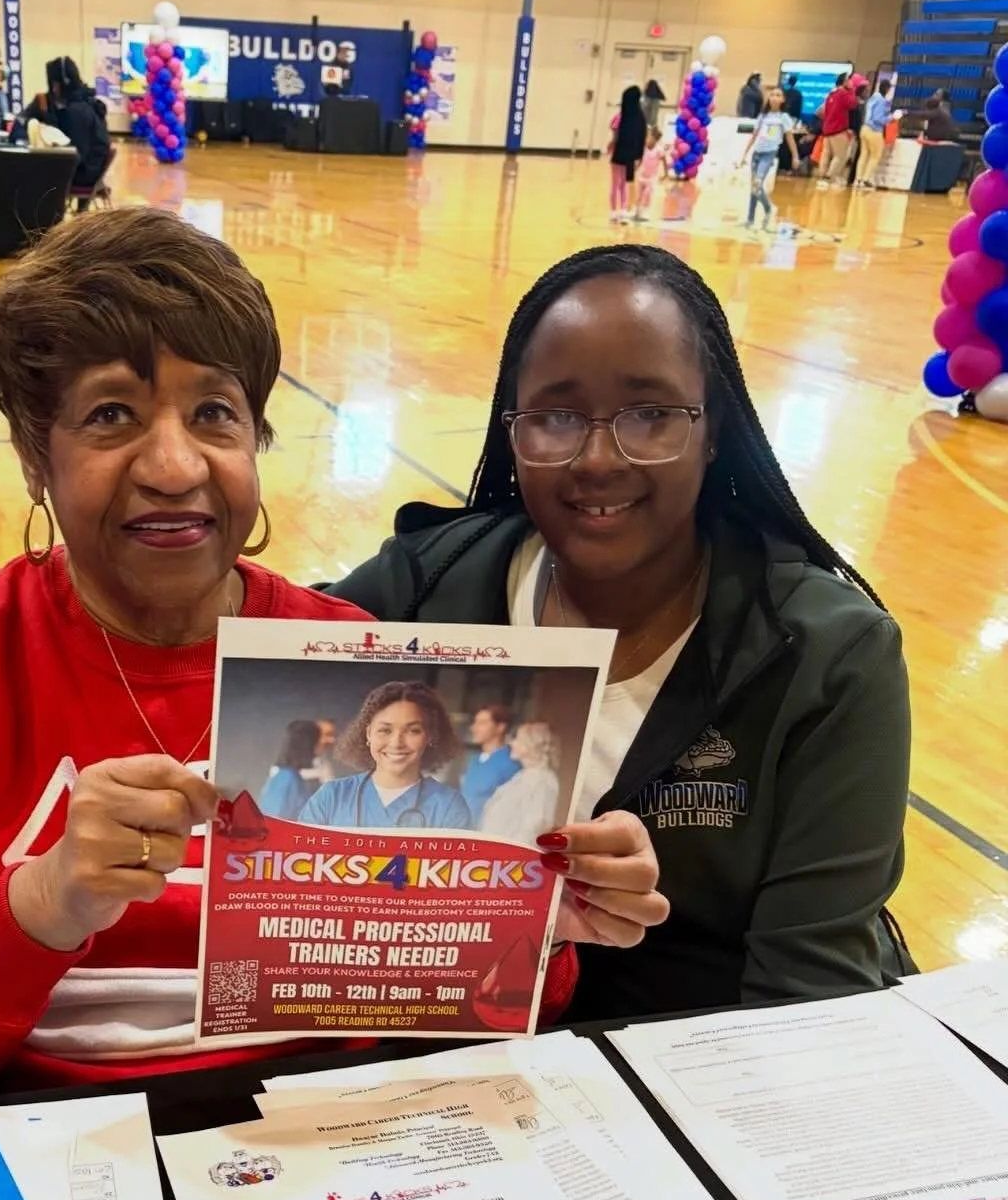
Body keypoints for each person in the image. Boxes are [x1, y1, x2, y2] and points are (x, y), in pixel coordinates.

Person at [0, 209, 584, 1113]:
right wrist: (36, 907)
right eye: (111, 415)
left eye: (214, 413)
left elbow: (447, 1019)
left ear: (255, 442)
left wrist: (537, 925)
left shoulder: (345, 654)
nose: (172, 466)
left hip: (319, 1148)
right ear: (33, 456)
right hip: (42, 1153)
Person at [327, 243, 912, 1023]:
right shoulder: (418, 587)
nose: (598, 458)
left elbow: (808, 1006)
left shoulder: (830, 656)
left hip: (707, 1078)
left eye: (651, 415)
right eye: (555, 417)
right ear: (513, 433)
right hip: (459, 1081)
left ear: (713, 429)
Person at [298, 682, 473, 830]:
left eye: (413, 731)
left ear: (429, 736)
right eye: (384, 730)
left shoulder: (448, 806)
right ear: (368, 734)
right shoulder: (331, 797)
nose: (396, 742)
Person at [22, 57, 111, 210]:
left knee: (33, 178)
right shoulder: (45, 101)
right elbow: (22, 121)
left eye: (55, 83)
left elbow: (77, 154)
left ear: (63, 83)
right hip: (80, 166)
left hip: (84, 172)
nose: (53, 87)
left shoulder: (80, 110)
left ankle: (45, 220)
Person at [481, 722, 561, 848]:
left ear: (530, 744)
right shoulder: (524, 776)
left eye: (517, 739)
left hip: (511, 858)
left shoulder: (542, 779)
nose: (511, 743)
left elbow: (536, 825)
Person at [740, 85, 799, 231]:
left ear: (783, 99)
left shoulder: (783, 118)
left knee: (758, 184)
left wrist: (795, 156)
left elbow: (790, 138)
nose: (774, 98)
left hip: (769, 153)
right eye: (772, 95)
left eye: (778, 95)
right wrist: (744, 154)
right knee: (753, 187)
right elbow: (754, 136)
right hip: (757, 152)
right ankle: (750, 218)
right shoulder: (763, 116)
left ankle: (768, 208)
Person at [459, 704, 518, 824]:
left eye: (482, 723)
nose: (474, 728)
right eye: (475, 723)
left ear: (500, 727)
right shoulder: (474, 760)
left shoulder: (511, 764)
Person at [258, 720, 322, 821]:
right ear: (306, 746)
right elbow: (275, 822)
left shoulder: (291, 777)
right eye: (316, 744)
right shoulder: (286, 778)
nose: (317, 750)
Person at [607, 85, 647, 226]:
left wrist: (612, 144)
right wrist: (639, 156)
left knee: (618, 184)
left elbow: (615, 134)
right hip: (628, 155)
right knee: (622, 184)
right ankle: (620, 211)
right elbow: (641, 138)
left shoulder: (625, 116)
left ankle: (617, 211)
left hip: (622, 154)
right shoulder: (639, 118)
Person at [817, 73, 855, 188]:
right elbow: (853, 103)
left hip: (827, 129)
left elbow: (821, 112)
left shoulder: (830, 94)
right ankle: (829, 177)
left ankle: (822, 177)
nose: (851, 82)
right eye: (849, 80)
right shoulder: (843, 94)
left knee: (826, 154)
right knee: (840, 155)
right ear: (844, 82)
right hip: (838, 129)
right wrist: (852, 90)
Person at [635, 126, 665, 222]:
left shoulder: (659, 150)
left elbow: (664, 161)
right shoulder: (643, 148)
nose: (648, 139)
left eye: (650, 138)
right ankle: (637, 211)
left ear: (655, 140)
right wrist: (635, 168)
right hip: (642, 176)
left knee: (647, 194)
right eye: (647, 137)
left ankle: (646, 211)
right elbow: (640, 159)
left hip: (651, 178)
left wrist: (666, 174)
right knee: (639, 194)